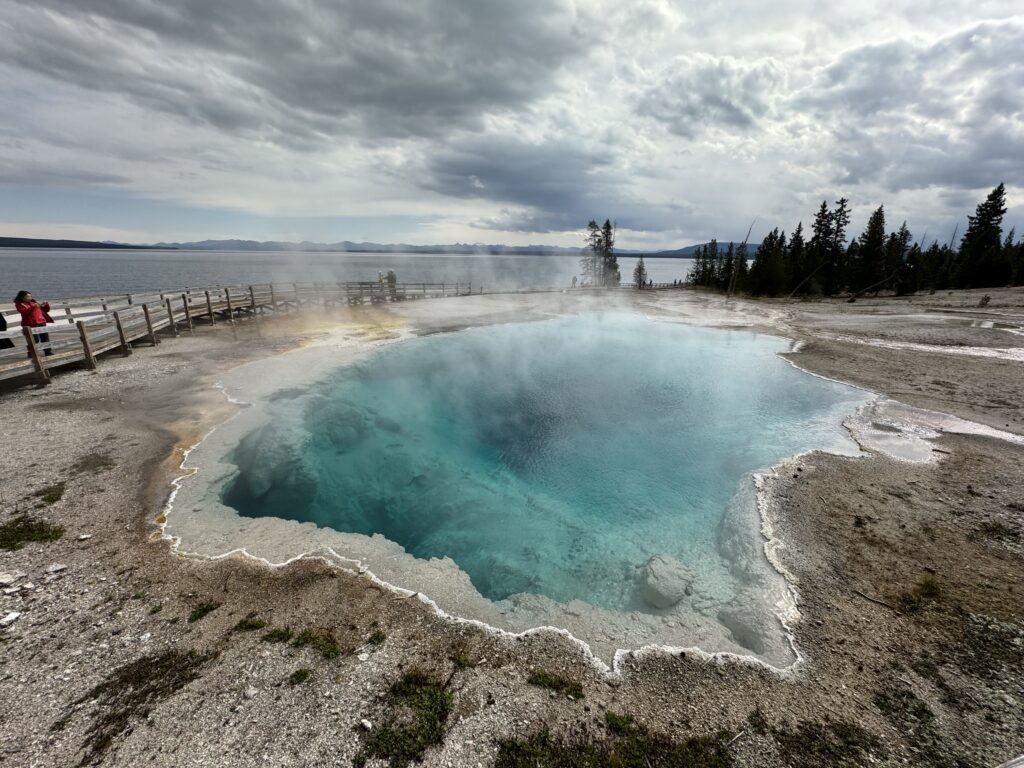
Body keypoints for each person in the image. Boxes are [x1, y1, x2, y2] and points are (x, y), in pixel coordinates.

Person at [14, 290, 54, 357]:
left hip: (41, 321)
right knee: (34, 340)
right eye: (28, 296)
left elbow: (45, 310)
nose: (30, 297)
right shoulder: (19, 304)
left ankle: (48, 352)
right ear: (22, 297)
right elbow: (24, 312)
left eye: (30, 296)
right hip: (30, 323)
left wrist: (46, 304)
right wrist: (33, 306)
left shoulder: (33, 301)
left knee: (45, 338)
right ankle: (31, 353)